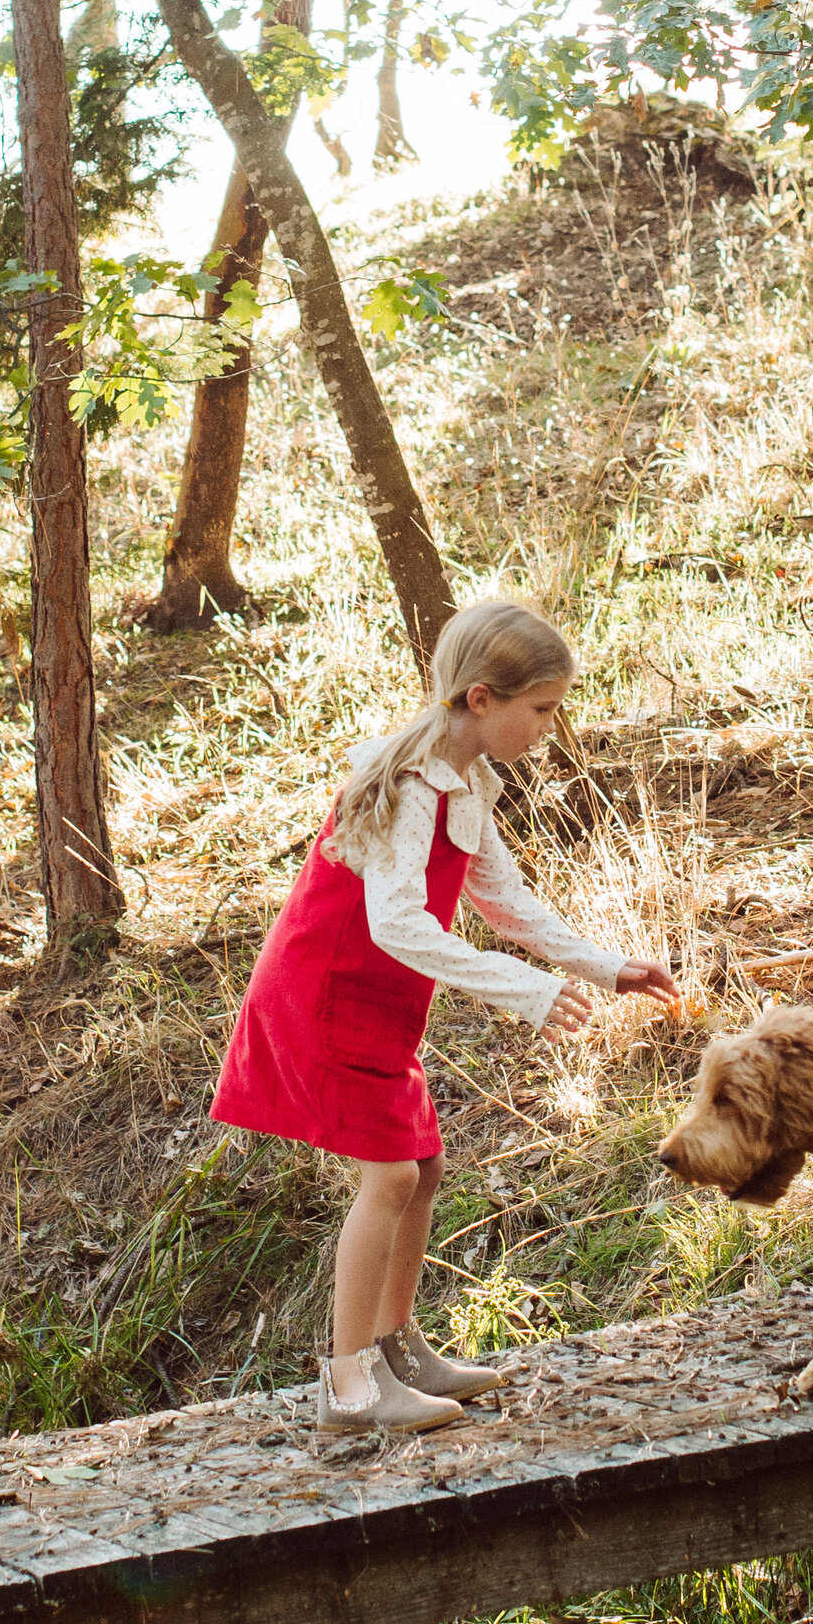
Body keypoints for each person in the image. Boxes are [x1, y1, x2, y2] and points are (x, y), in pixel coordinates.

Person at [211, 597, 678, 1435]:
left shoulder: (466, 778)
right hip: (328, 994)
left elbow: (504, 902)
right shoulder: (410, 778)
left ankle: (397, 1349)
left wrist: (604, 967)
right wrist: (523, 991)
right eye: (540, 710)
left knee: (422, 1167)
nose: (547, 728)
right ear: (481, 700)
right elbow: (395, 921)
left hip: (383, 1001)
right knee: (389, 1174)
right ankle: (348, 1388)